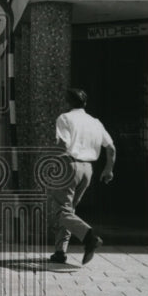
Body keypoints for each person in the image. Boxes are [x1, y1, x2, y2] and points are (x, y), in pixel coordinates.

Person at [49, 87, 116, 266]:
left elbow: (63, 144)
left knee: (60, 212)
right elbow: (111, 148)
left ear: (68, 102)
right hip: (88, 169)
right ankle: (60, 252)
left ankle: (89, 237)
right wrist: (108, 169)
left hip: (69, 165)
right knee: (69, 210)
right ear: (85, 103)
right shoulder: (95, 122)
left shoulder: (65, 118)